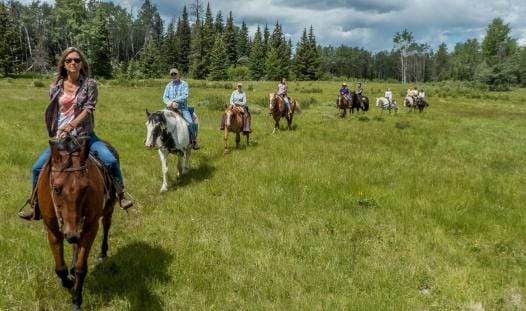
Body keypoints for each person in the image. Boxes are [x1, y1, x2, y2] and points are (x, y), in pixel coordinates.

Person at [18, 47, 133, 220]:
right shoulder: (55, 86)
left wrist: (71, 125)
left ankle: (121, 195)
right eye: (69, 60)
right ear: (63, 64)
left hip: (85, 136)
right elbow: (54, 110)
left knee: (109, 159)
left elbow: (89, 108)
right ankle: (36, 206)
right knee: (36, 168)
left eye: (77, 60)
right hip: (61, 139)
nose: (73, 63)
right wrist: (58, 129)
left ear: (82, 64)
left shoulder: (90, 84)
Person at [163, 68, 200, 150]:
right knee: (159, 120)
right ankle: (158, 140)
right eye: (172, 74)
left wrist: (174, 100)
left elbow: (185, 96)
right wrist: (169, 103)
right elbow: (164, 97)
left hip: (182, 108)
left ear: (178, 74)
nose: (173, 76)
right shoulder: (168, 86)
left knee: (190, 123)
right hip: (170, 108)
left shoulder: (184, 84)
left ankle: (194, 140)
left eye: (175, 74)